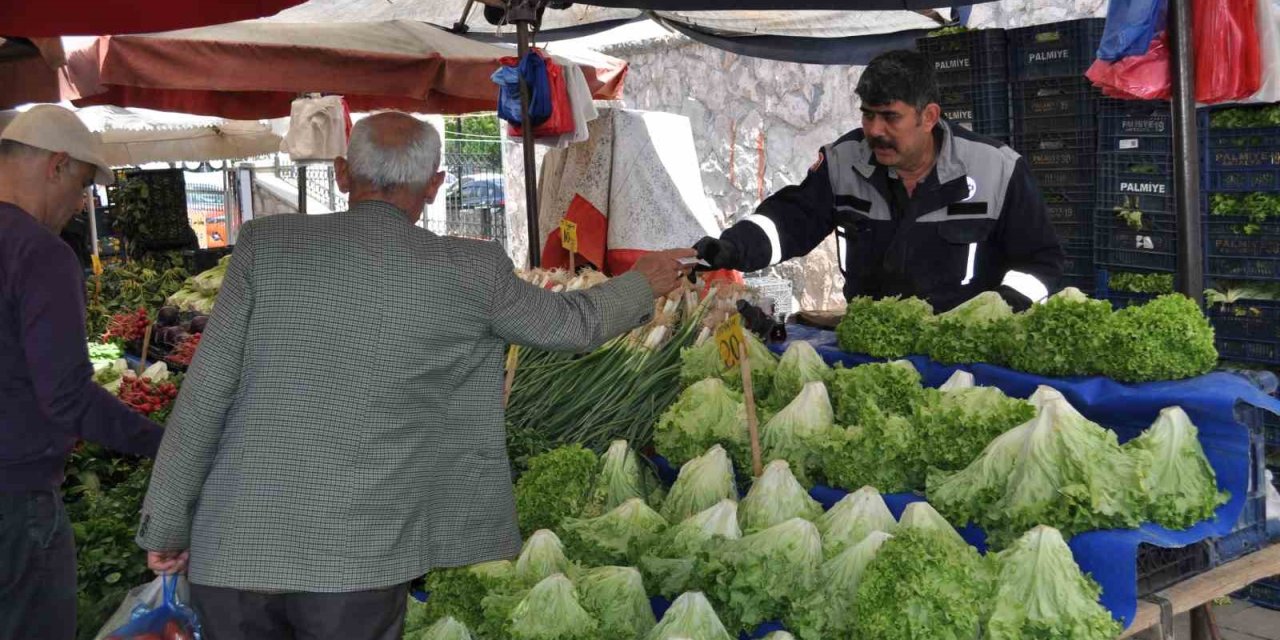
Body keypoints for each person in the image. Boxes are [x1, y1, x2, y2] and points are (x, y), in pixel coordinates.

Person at [136, 111, 696, 639]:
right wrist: (642, 281)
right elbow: (575, 323)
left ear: (341, 173)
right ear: (435, 185)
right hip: (359, 561)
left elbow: (203, 398)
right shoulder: (469, 269)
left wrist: (164, 526)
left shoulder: (266, 246)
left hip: (234, 553)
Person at [694, 50, 1064, 313]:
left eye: (890, 117)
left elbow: (1042, 263)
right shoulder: (843, 162)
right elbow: (790, 221)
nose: (874, 130)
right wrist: (733, 247)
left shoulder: (996, 169)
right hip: (870, 350)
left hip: (965, 358)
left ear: (929, 116)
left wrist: (1001, 309)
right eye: (867, 115)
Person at [0, 104, 165, 639]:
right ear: (56, 165)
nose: (78, 206)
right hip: (15, 503)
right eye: (80, 188)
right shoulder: (37, 252)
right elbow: (68, 397)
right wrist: (167, 441)